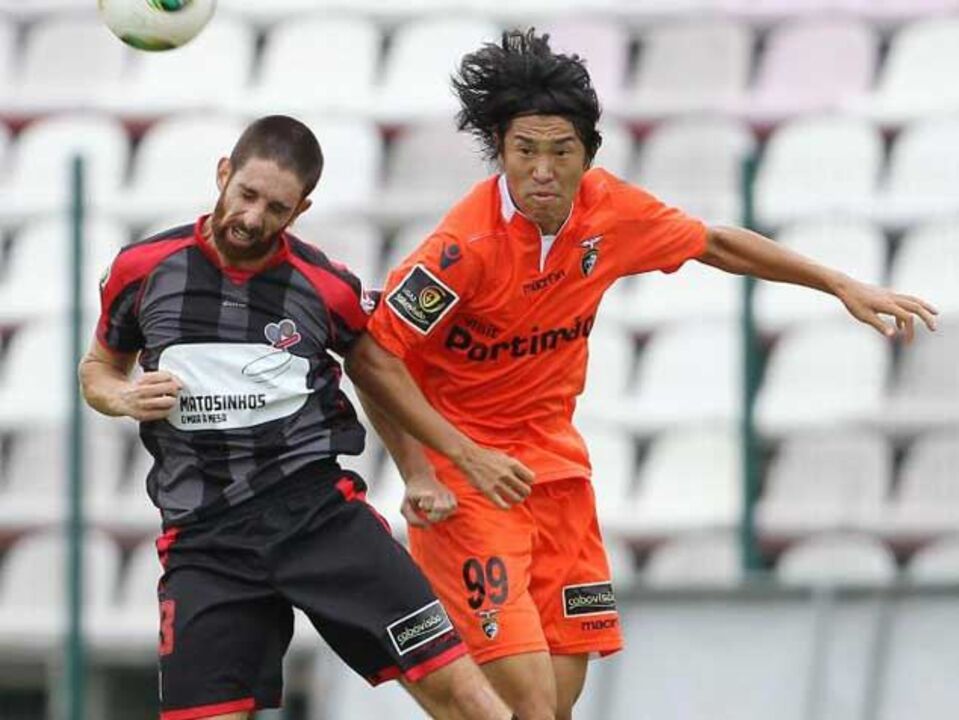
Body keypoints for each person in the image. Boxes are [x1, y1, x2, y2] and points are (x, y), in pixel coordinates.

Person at [361, 29, 939, 720]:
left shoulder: (612, 212)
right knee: (527, 707)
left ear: (588, 155)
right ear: (500, 151)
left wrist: (839, 283)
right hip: (473, 484)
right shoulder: (461, 248)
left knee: (559, 703)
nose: (542, 170)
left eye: (560, 152)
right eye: (524, 152)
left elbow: (717, 242)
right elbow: (373, 355)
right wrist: (430, 467)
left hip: (557, 476)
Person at [78, 115, 533, 720]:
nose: (253, 218)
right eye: (246, 195)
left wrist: (427, 471)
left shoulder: (324, 287)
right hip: (204, 540)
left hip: (318, 519)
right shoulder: (144, 269)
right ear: (223, 174)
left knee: (463, 694)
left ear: (301, 208)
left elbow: (381, 376)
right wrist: (123, 396)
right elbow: (97, 370)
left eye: (276, 207)